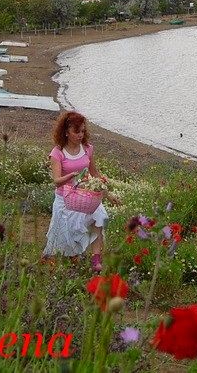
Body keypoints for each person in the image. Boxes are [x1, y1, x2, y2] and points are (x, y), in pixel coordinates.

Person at [42, 111, 119, 272]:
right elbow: (56, 181)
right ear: (66, 132)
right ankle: (67, 257)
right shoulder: (57, 153)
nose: (80, 135)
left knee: (99, 217)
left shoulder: (87, 149)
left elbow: (95, 174)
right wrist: (70, 176)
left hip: (86, 197)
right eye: (76, 131)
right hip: (66, 200)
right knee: (65, 237)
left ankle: (96, 259)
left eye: (83, 131)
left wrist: (108, 194)